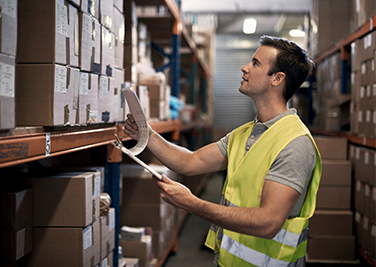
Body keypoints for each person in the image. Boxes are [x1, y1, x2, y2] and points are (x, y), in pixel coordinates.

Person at [124, 35, 322, 267]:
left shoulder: (295, 143)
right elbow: (190, 161)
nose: (244, 68)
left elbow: (268, 223)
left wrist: (191, 203)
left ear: (277, 79)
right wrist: (147, 135)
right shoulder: (245, 133)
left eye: (256, 63)